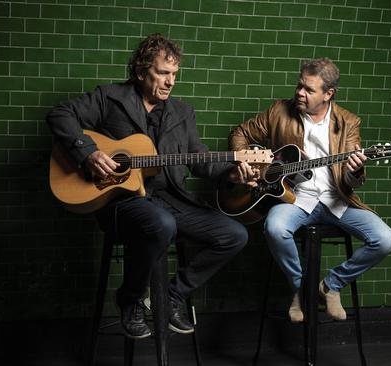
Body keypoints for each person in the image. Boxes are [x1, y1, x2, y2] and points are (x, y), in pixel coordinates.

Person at [47, 34, 257, 338]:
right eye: (162, 73)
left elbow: (199, 159)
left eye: (174, 74)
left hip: (170, 199)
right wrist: (89, 153)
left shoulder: (183, 113)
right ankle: (130, 299)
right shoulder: (110, 98)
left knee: (234, 235)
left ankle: (168, 297)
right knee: (161, 224)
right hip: (121, 203)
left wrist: (233, 174)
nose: (170, 81)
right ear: (142, 70)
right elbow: (60, 115)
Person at [229, 57, 391, 323]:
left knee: (385, 239)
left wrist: (354, 170)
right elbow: (240, 133)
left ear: (328, 94)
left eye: (309, 89)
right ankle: (301, 288)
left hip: (335, 200)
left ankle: (329, 286)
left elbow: (353, 180)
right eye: (299, 86)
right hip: (294, 199)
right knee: (274, 227)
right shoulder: (279, 111)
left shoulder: (348, 123)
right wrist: (246, 161)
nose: (299, 93)